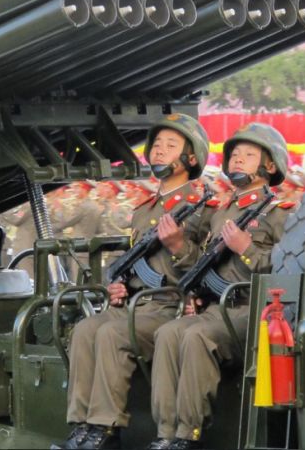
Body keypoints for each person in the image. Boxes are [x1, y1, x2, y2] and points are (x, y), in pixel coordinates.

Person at [56, 114, 212, 450]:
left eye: (171, 146)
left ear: (191, 158)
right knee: (85, 329)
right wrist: (121, 286)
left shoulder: (200, 208)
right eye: (156, 145)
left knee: (113, 333)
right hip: (137, 304)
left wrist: (178, 246)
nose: (159, 151)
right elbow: (137, 263)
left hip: (171, 306)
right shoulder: (145, 209)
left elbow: (206, 266)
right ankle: (81, 424)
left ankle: (105, 427)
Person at [148, 123, 294, 450]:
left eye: (249, 155)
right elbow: (202, 262)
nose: (238, 160)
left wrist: (247, 249)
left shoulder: (279, 214)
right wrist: (193, 287)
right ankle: (166, 432)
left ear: (270, 166)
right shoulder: (220, 213)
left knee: (198, 337)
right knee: (169, 333)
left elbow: (285, 269)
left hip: (253, 311)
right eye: (235, 155)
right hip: (215, 307)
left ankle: (188, 434)